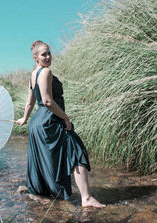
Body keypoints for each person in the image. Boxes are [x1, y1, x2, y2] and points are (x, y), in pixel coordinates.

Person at [16, 40, 105, 208]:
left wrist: (25, 118)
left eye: (49, 53)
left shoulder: (33, 75)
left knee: (49, 158)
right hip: (49, 120)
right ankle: (86, 198)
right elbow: (48, 101)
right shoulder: (46, 72)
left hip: (37, 123)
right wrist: (66, 118)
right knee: (76, 150)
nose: (48, 56)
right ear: (36, 57)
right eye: (44, 54)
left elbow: (30, 103)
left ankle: (41, 193)